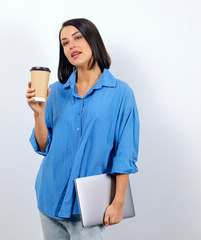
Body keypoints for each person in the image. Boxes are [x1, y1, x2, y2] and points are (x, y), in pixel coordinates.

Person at [26, 18, 140, 240]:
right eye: (65, 43)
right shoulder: (55, 92)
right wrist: (38, 114)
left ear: (93, 40)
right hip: (50, 197)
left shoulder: (121, 93)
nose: (71, 46)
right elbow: (43, 146)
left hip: (89, 207)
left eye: (78, 37)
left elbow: (125, 152)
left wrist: (118, 201)